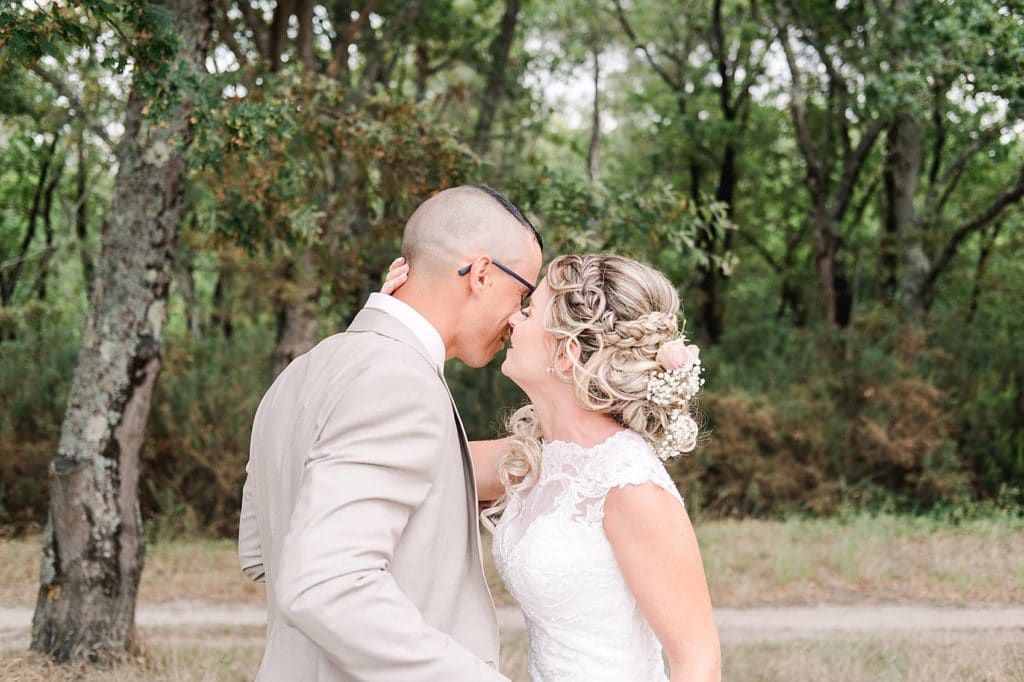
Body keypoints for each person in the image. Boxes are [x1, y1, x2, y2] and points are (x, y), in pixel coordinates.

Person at [238, 184, 543, 681]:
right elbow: (322, 581)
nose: (517, 317)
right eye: (523, 293)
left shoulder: (300, 373)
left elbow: (259, 551)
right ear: (482, 274)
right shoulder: (397, 379)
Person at [384, 252, 722, 681]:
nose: (513, 319)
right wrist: (394, 331)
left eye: (530, 310)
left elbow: (698, 662)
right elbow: (406, 458)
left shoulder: (630, 486)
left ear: (567, 355)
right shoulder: (536, 456)